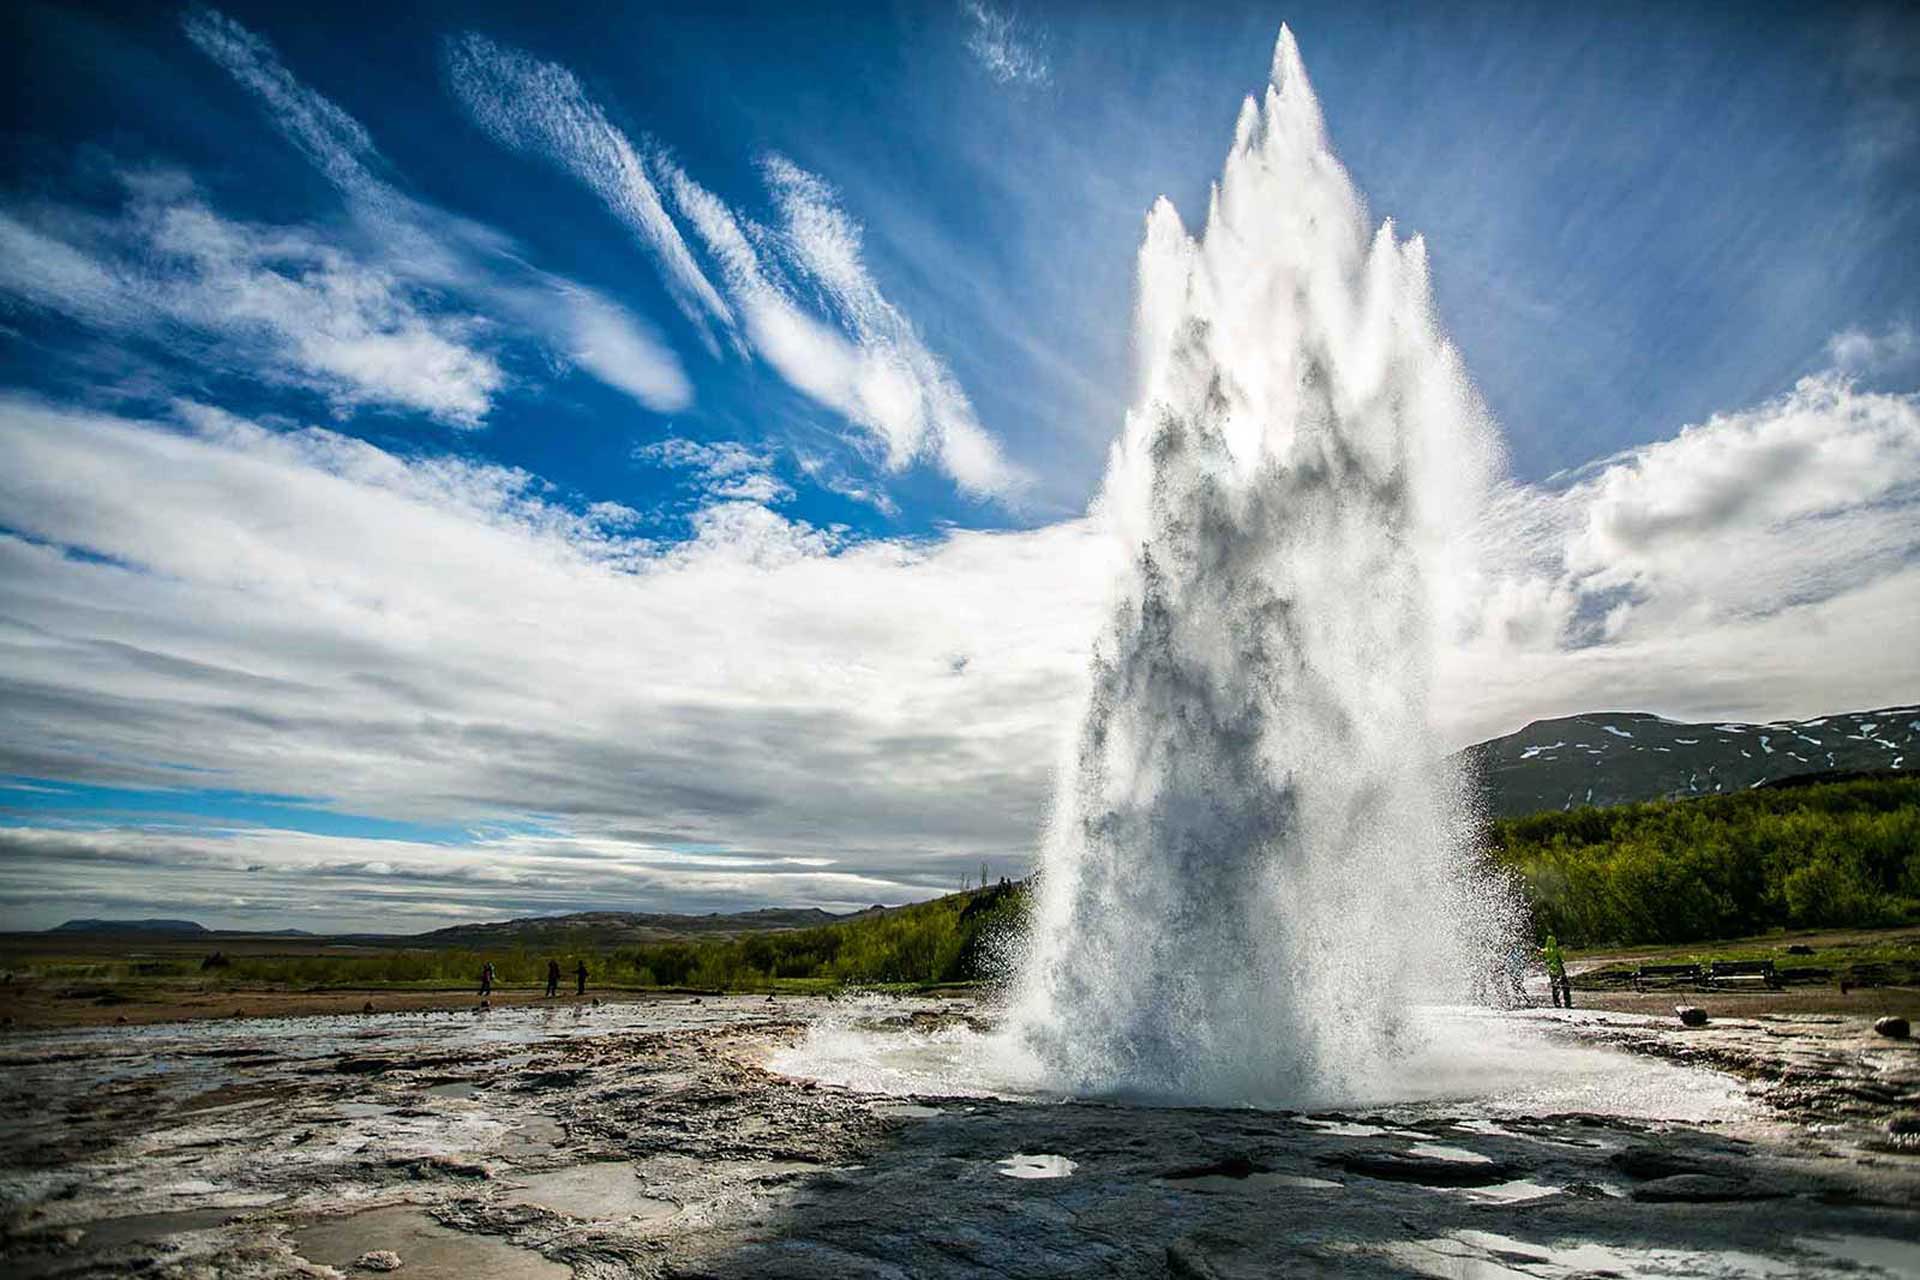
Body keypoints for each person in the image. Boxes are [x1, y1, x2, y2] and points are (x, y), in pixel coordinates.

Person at [1543, 934, 1572, 1008]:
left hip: (1551, 971)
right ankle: (1567, 1003)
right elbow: (1562, 960)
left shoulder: (1545, 951)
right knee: (1565, 986)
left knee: (1555, 987)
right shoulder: (1556, 950)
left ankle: (1557, 1003)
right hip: (1559, 970)